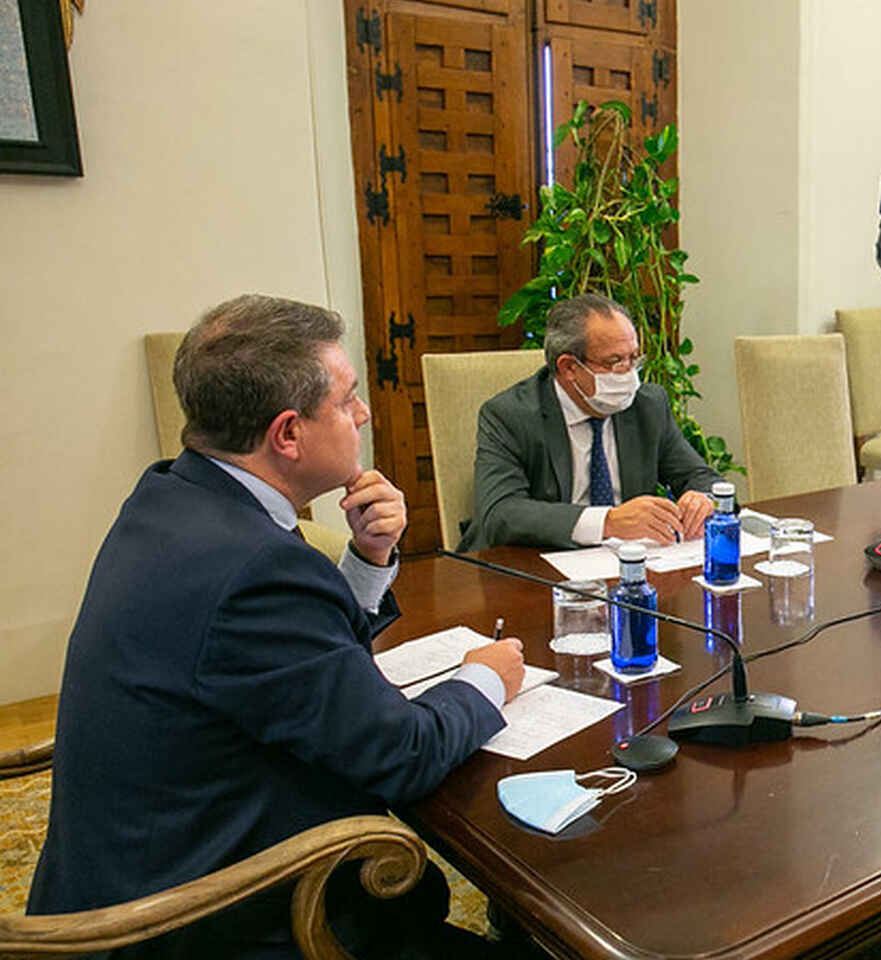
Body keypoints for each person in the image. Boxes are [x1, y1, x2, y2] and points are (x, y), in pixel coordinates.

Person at [28, 295, 526, 958]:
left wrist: (368, 559)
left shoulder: (172, 494)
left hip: (134, 866)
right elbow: (400, 755)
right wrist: (484, 681)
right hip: (210, 924)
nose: (364, 415)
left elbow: (295, 664)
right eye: (348, 400)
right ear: (288, 434)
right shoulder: (253, 566)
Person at [459, 292, 723, 550]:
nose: (629, 375)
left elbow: (700, 476)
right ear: (569, 368)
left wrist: (703, 499)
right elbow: (500, 513)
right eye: (615, 362)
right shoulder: (509, 415)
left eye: (633, 358)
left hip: (629, 563)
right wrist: (607, 522)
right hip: (538, 565)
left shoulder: (647, 405)